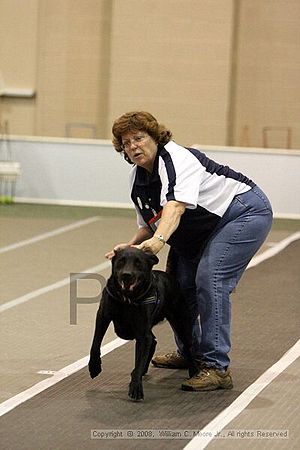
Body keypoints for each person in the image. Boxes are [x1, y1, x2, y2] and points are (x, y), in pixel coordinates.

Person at [106, 111, 273, 391]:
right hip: (200, 229)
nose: (133, 146)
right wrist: (131, 247)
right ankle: (190, 353)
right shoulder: (138, 180)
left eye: (139, 138)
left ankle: (216, 367)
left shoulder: (177, 159)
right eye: (126, 142)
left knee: (210, 280)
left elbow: (175, 207)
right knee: (179, 288)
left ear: (155, 138)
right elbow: (149, 224)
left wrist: (158, 242)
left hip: (242, 213)